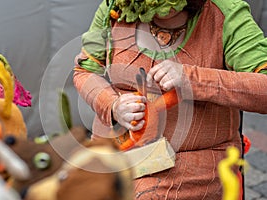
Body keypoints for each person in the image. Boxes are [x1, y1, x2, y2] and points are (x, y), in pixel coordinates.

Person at [73, 0, 267, 199]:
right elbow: (85, 70)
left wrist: (194, 79)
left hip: (192, 164)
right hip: (115, 156)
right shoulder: (115, 8)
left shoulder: (225, 13)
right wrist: (112, 105)